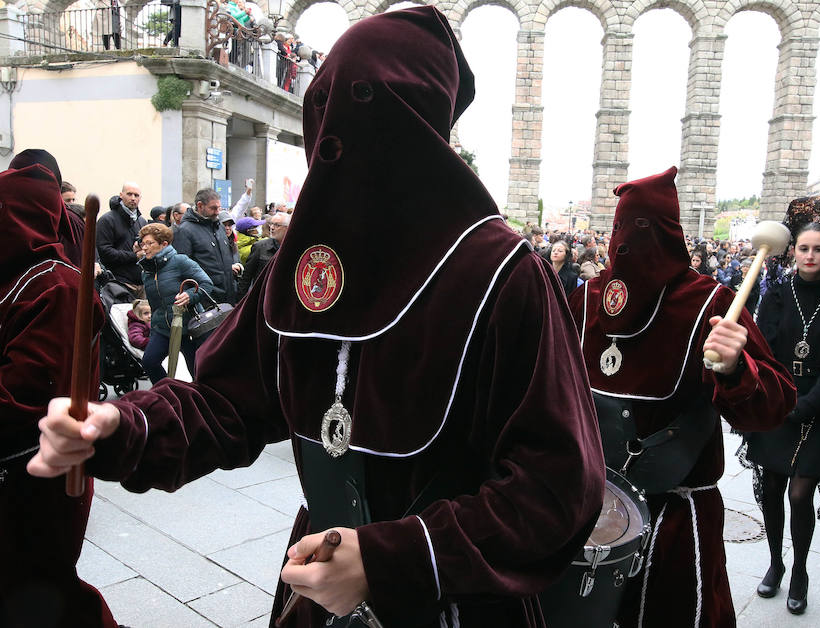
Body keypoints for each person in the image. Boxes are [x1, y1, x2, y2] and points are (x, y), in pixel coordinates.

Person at [27, 7, 606, 628]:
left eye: (368, 109)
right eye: (326, 108)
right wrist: (119, 424)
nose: (338, 139)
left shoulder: (501, 271)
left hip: (458, 603)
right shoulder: (304, 267)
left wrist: (392, 559)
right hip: (315, 587)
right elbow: (228, 402)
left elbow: (559, 485)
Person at [568, 167, 796, 627]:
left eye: (643, 228)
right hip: (587, 506)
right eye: (620, 229)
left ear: (669, 233)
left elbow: (775, 404)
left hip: (674, 515)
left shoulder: (712, 304)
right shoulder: (587, 299)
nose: (627, 243)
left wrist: (736, 369)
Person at [0, 160, 117, 627]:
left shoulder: (56, 285)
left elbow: (23, 397)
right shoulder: (14, 276)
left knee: (38, 588)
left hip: (33, 471)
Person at [745, 197, 820, 616]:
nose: (809, 256)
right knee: (772, 488)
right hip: (779, 399)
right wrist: (777, 397)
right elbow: (766, 350)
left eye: (818, 249)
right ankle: (775, 562)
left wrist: (808, 404)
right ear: (792, 250)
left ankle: (800, 570)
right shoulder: (776, 294)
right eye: (803, 248)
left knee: (800, 492)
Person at [136, 223, 213, 383]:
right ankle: (169, 394)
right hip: (163, 328)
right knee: (149, 362)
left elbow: (206, 283)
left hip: (189, 327)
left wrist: (190, 295)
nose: (145, 248)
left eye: (150, 243)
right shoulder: (147, 271)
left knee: (198, 373)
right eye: (143, 244)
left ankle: (202, 401)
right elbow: (155, 304)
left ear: (164, 244)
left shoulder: (180, 261)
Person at [172, 189, 242, 306]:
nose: (217, 212)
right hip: (205, 298)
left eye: (219, 208)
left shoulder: (219, 226)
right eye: (213, 208)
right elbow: (181, 267)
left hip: (228, 296)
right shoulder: (185, 230)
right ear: (200, 206)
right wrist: (192, 294)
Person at [96, 182, 147, 295]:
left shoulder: (141, 221)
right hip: (117, 283)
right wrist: (135, 256)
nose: (133, 198)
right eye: (129, 194)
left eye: (136, 195)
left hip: (140, 283)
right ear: (121, 195)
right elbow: (104, 252)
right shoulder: (107, 220)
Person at [238, 211, 290, 298]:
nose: (272, 228)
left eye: (277, 225)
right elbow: (246, 278)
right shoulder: (259, 247)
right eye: (271, 224)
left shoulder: (292, 249)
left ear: (287, 228)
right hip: (262, 297)